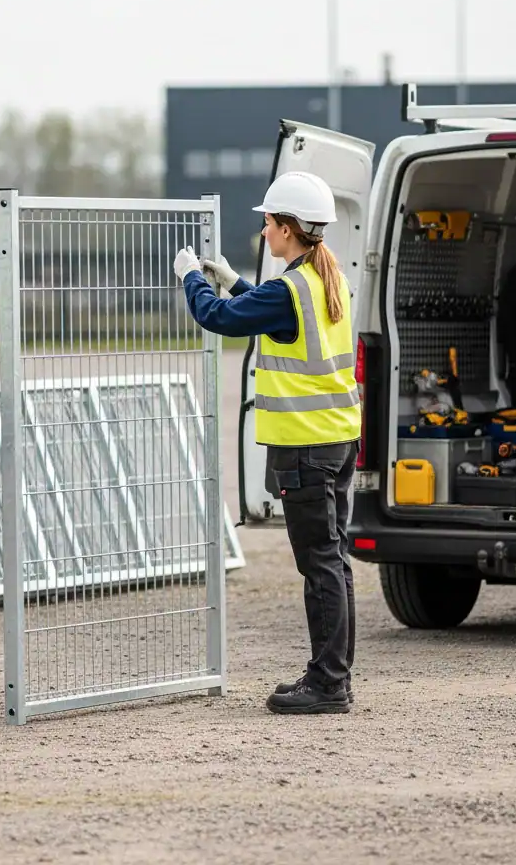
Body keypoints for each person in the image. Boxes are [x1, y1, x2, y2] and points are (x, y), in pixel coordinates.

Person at [173, 170, 360, 715]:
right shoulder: (328, 280)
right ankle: (331, 674)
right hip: (338, 440)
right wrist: (233, 279)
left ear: (287, 229)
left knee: (320, 564)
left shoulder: (291, 289)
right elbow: (278, 318)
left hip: (306, 446)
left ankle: (328, 685)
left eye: (267, 223)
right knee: (333, 560)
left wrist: (193, 278)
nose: (262, 233)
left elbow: (218, 318)